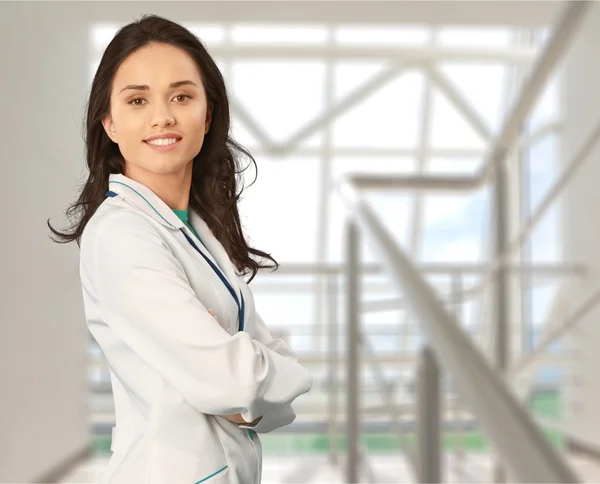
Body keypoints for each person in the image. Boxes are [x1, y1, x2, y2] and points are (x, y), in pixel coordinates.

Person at [48, 14, 312, 484]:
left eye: (181, 96)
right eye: (137, 100)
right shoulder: (121, 236)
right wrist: (248, 377)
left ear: (207, 114)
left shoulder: (196, 230)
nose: (162, 116)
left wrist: (246, 394)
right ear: (109, 123)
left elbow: (260, 384)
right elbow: (238, 380)